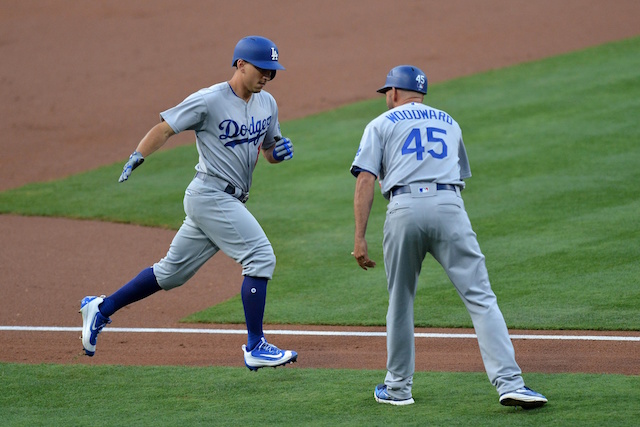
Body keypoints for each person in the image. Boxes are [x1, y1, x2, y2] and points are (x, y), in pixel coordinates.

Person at [80, 35, 297, 371]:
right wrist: (138, 154)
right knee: (260, 256)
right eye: (262, 68)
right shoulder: (209, 100)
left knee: (171, 274)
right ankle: (255, 346)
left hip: (227, 199)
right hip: (209, 195)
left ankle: (101, 308)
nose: (267, 76)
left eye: (273, 71)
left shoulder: (267, 104)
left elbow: (268, 150)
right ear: (240, 64)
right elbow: (166, 128)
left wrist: (278, 154)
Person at [350, 65, 547, 408]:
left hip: (404, 208)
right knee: (481, 298)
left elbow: (366, 179)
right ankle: (510, 383)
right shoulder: (449, 122)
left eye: (387, 93)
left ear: (394, 93)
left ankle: (397, 389)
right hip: (449, 205)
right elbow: (457, 172)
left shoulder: (380, 124)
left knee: (401, 300)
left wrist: (359, 237)